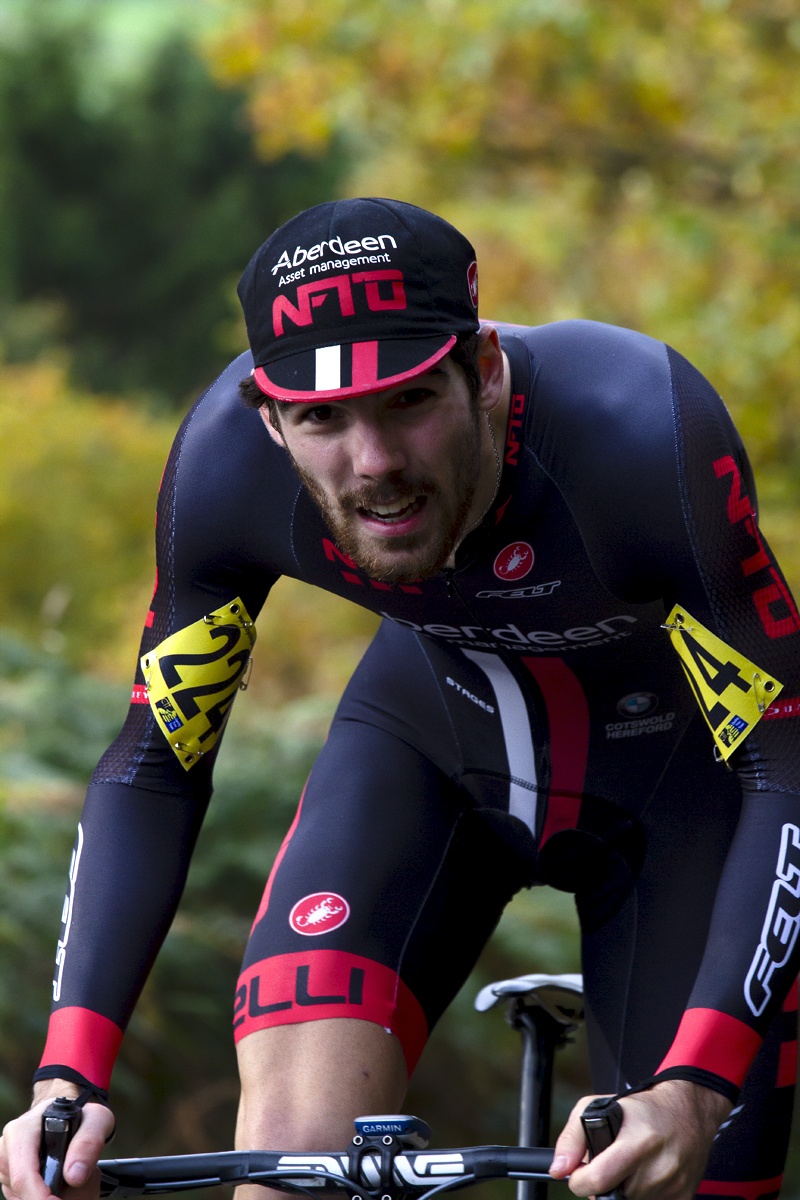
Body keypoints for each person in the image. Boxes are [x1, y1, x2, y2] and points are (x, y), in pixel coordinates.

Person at [2, 197, 800, 1200]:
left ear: (486, 368)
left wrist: (694, 1084)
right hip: (426, 763)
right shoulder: (223, 471)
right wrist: (67, 1076)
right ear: (269, 417)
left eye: (408, 401)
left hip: (679, 796)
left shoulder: (638, 432)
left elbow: (784, 757)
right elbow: (155, 760)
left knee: (675, 1169)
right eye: (320, 418)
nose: (372, 464)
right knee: (293, 1164)